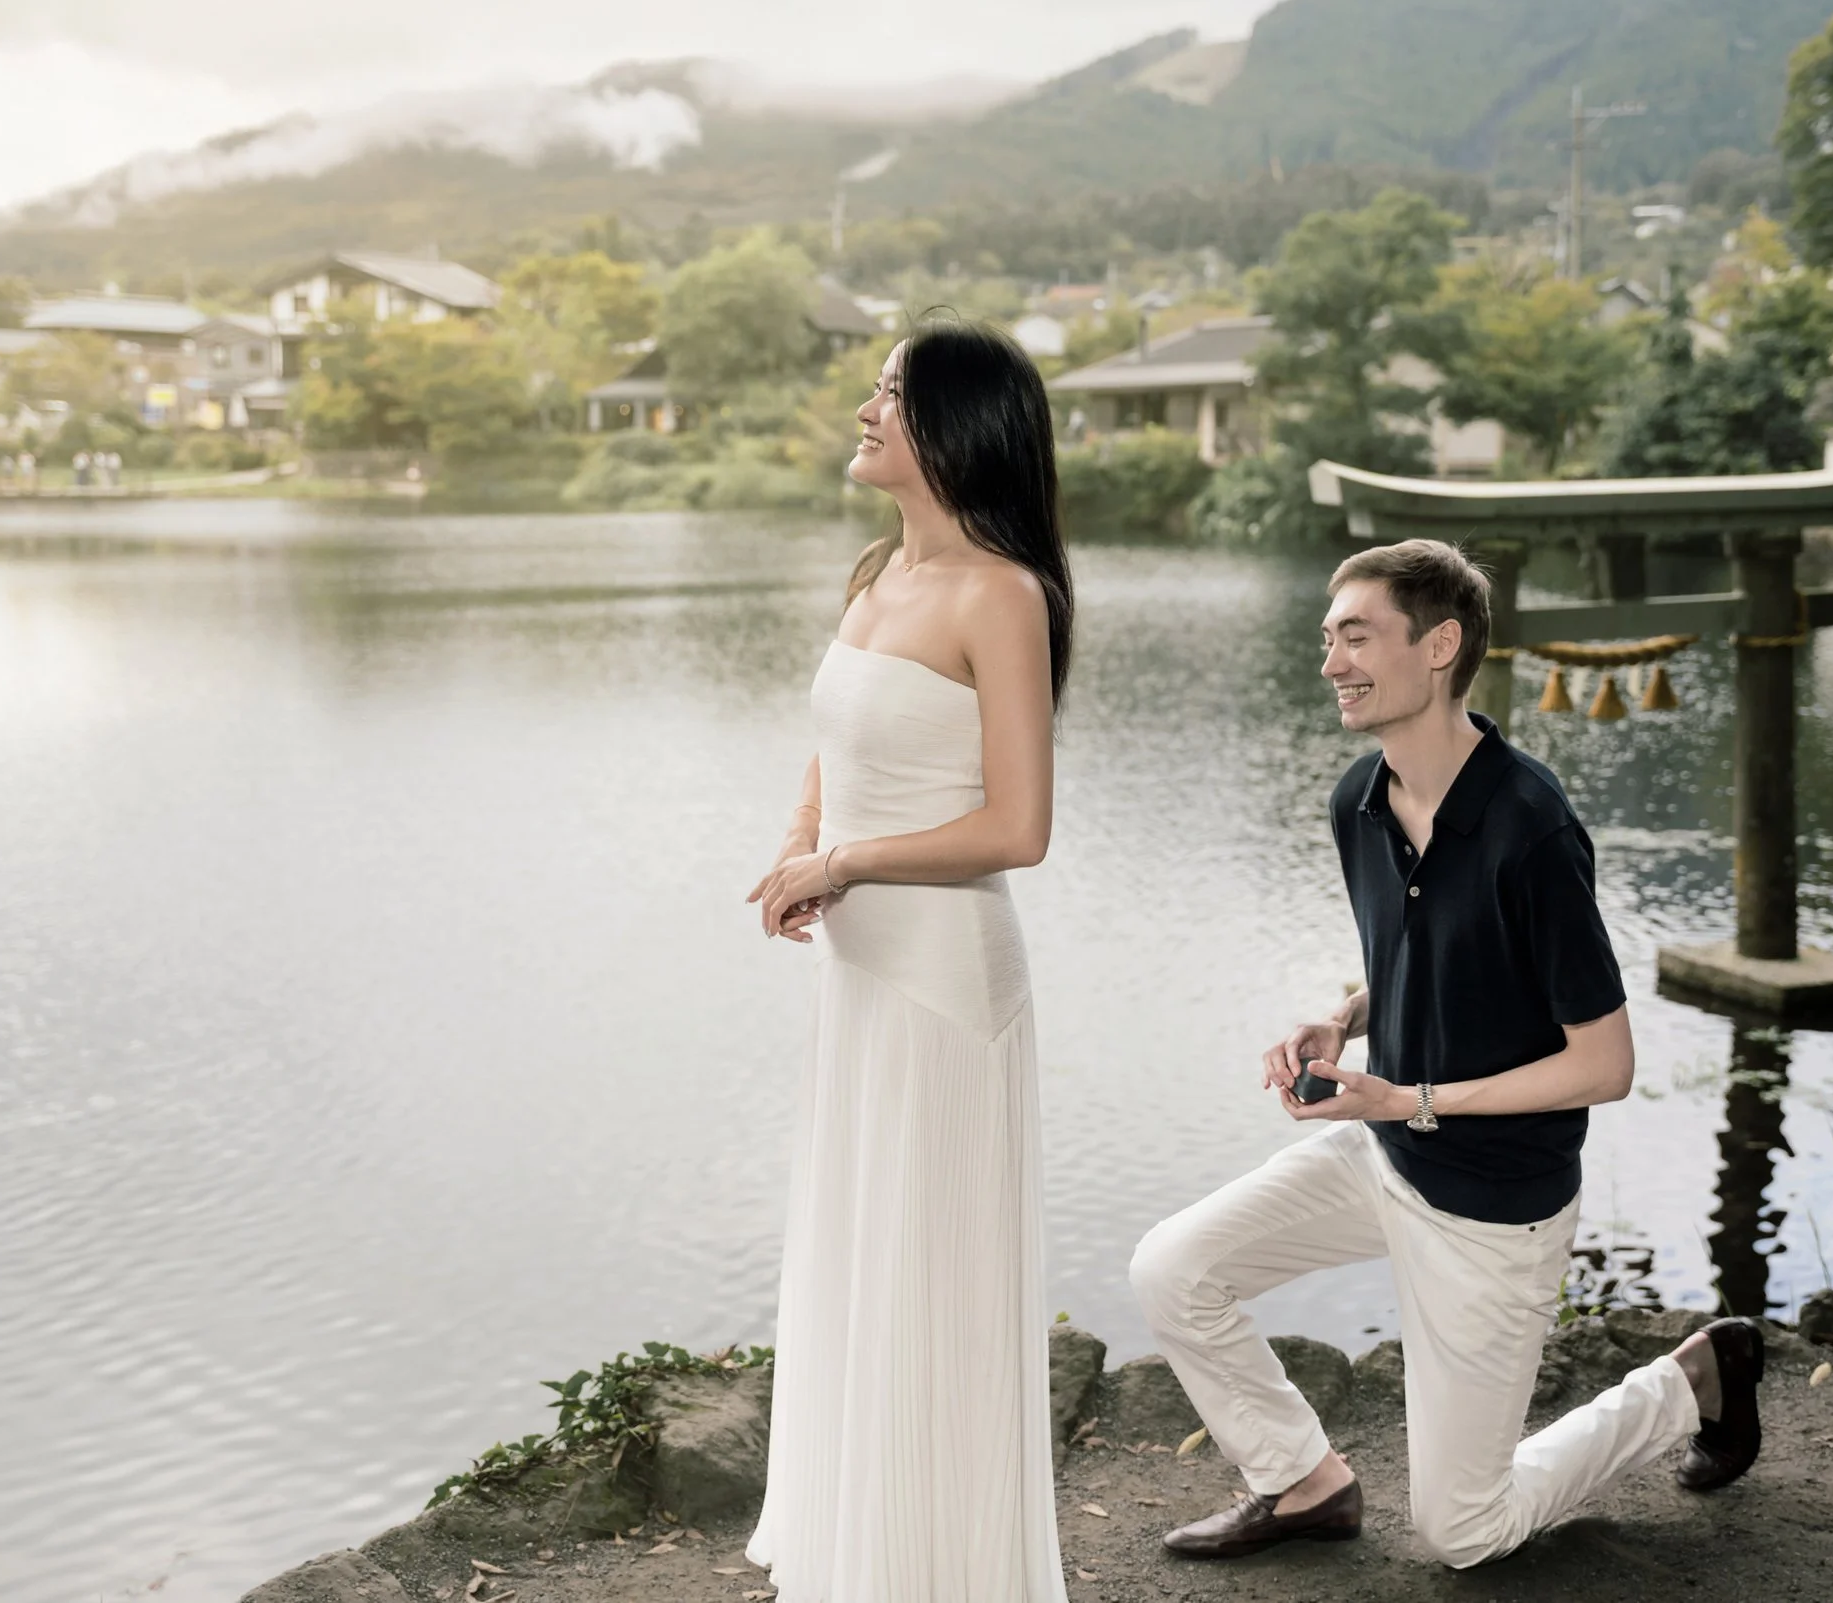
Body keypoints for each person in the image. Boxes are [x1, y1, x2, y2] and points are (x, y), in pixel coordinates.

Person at [1130, 538, 1766, 1566]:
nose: (1330, 661)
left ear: (1438, 645)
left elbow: (1604, 1063)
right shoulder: (1360, 801)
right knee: (1171, 1267)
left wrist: (1409, 1097)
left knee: (1463, 1532)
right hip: (1390, 1151)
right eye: (1326, 638)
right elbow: (1429, 953)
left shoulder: (1528, 825)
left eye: (1354, 636)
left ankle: (1692, 1377)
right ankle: (1302, 1482)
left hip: (1496, 1206)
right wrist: (1341, 1018)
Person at [742, 318, 1074, 1602]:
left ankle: (935, 1570)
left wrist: (847, 864)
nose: (866, 406)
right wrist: (796, 843)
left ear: (955, 425)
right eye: (876, 385)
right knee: (858, 1261)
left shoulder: (1002, 593)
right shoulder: (876, 571)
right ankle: (862, 1552)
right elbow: (841, 736)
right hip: (863, 979)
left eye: (891, 391)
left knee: (927, 1283)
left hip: (944, 983)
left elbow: (1018, 828)